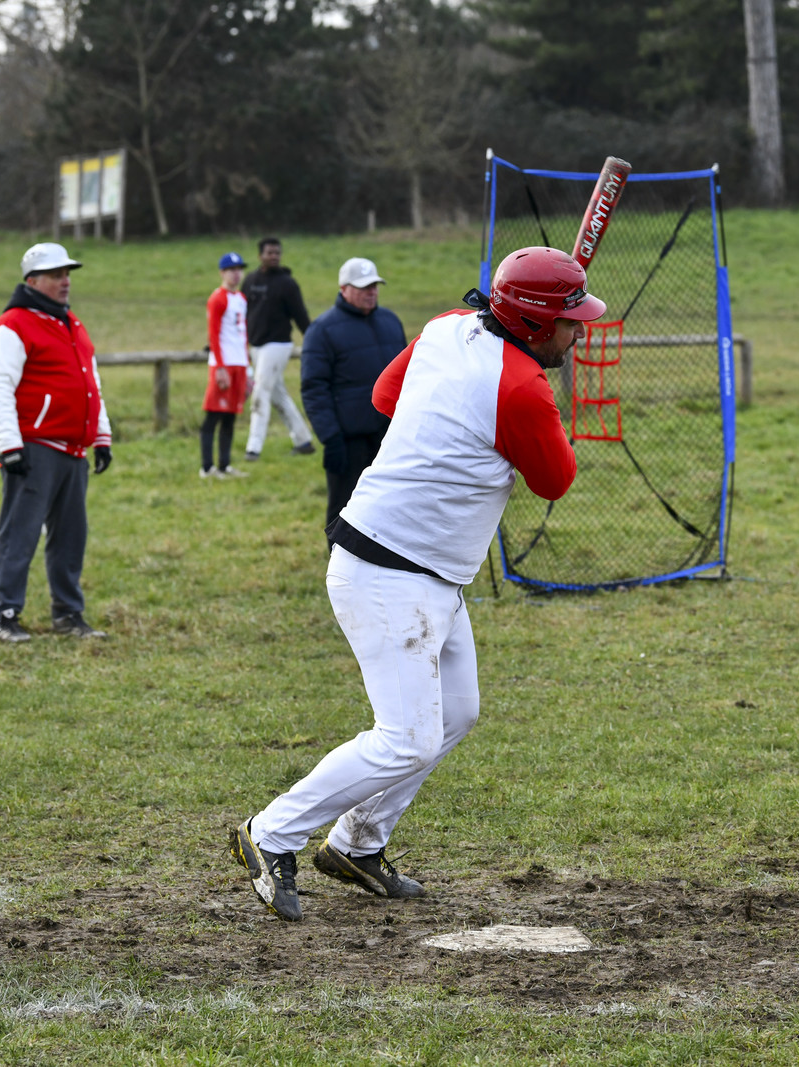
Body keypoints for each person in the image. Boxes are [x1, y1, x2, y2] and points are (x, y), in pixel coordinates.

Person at [230, 247, 604, 921]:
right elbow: (556, 480)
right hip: (385, 570)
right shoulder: (520, 387)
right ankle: (271, 832)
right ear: (533, 323)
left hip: (429, 572)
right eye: (570, 322)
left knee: (456, 712)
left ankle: (357, 843)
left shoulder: (445, 327)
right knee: (406, 736)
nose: (579, 334)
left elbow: (384, 397)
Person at [0, 242, 112, 644]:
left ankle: (68, 613)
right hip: (35, 447)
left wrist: (102, 436)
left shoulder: (71, 323)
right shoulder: (13, 325)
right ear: (33, 281)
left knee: (72, 536)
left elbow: (92, 385)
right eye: (56, 275)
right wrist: (10, 445)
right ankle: (5, 613)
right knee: (19, 533)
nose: (65, 281)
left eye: (67, 274)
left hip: (74, 450)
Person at [300, 257, 406, 537]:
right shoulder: (321, 331)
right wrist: (331, 438)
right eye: (363, 287)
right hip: (347, 441)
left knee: (389, 505)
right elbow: (314, 388)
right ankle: (338, 569)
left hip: (388, 436)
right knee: (344, 509)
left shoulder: (390, 322)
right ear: (343, 288)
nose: (371, 291)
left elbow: (408, 376)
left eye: (374, 285)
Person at [239, 237, 315, 461]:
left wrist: (312, 341)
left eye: (277, 253)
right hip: (256, 345)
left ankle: (253, 448)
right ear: (260, 255)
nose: (274, 256)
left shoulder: (287, 283)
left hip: (278, 345)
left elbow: (301, 316)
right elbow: (242, 313)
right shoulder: (250, 281)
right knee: (277, 394)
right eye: (269, 253)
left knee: (260, 392)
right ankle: (303, 440)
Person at [202, 252, 251, 479]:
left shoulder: (241, 298)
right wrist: (220, 367)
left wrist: (248, 369)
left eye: (239, 269)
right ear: (222, 272)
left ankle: (224, 464)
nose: (236, 273)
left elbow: (243, 336)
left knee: (231, 416)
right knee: (214, 415)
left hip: (239, 363)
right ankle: (206, 467)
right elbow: (214, 334)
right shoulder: (218, 298)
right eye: (231, 269)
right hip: (223, 364)